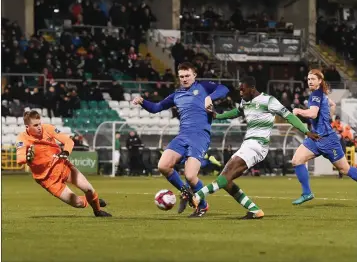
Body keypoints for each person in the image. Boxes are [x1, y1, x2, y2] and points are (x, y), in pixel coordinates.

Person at [180, 76, 320, 219]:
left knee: (225, 176)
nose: (240, 93)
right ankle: (254, 210)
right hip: (248, 144)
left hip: (258, 145)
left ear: (252, 89)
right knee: (226, 181)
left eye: (243, 90)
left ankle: (197, 196)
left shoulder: (269, 101)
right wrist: (218, 116)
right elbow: (237, 112)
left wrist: (306, 132)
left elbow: (289, 116)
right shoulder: (245, 101)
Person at [132, 62, 229, 217]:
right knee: (163, 166)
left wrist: (210, 98)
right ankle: (187, 193)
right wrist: (142, 102)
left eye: (187, 76)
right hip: (183, 135)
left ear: (194, 75)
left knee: (190, 176)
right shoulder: (176, 95)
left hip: (199, 136)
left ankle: (202, 206)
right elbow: (157, 108)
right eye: (181, 76)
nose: (184, 79)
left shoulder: (203, 87)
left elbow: (224, 89)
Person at [15, 110, 112, 217]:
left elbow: (68, 141)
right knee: (78, 203)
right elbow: (20, 158)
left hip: (61, 166)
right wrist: (27, 159)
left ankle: (97, 211)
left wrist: (65, 152)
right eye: (35, 125)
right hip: (47, 180)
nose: (39, 127)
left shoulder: (48, 128)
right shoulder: (22, 138)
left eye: (40, 124)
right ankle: (94, 201)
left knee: (88, 188)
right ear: (27, 127)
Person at [291, 69, 357, 204]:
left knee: (345, 169)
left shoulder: (316, 94)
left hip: (328, 140)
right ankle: (307, 193)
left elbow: (313, 114)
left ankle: (307, 192)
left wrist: (298, 111)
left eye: (313, 79)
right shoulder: (322, 95)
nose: (310, 81)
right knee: (297, 160)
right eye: (308, 79)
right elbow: (332, 105)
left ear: (320, 81)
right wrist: (327, 117)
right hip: (315, 138)